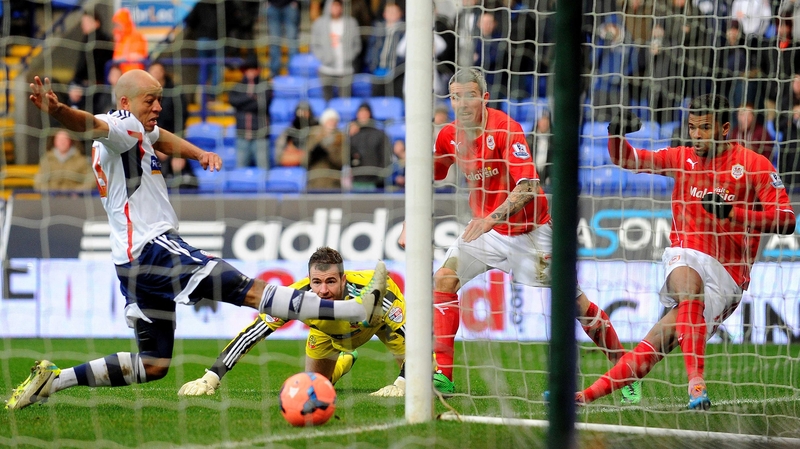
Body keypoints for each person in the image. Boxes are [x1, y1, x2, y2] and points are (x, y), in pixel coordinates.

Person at [5, 71, 388, 411]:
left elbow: (161, 137)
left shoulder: (137, 130)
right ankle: (354, 312)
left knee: (153, 365)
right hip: (154, 245)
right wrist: (57, 111)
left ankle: (55, 380)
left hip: (130, 261)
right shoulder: (120, 124)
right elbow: (89, 123)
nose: (158, 106)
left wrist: (198, 152)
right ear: (125, 103)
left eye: (159, 98)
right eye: (149, 100)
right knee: (243, 288)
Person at [399, 68, 636, 402]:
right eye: (455, 97)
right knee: (444, 280)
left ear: (484, 97)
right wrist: (412, 220)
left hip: (531, 232)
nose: (462, 103)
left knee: (576, 305)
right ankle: (444, 376)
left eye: (469, 95)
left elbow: (529, 186)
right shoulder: (448, 136)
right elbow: (425, 176)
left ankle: (624, 369)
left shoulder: (506, 128)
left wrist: (490, 218)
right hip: (485, 232)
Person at [579, 94, 796, 410]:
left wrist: (733, 214)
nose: (696, 136)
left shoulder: (754, 165)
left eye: (704, 128)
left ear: (723, 129)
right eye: (692, 128)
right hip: (686, 254)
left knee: (655, 343)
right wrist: (616, 134)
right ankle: (695, 384)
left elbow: (787, 220)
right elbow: (627, 160)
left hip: (729, 275)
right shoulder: (681, 157)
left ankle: (588, 395)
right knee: (686, 273)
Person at [178, 247, 407, 398]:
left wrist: (402, 382)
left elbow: (418, 339)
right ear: (309, 280)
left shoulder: (379, 294)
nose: (323, 290)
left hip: (380, 326)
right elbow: (252, 334)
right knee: (315, 389)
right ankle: (346, 359)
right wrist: (211, 377)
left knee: (424, 375)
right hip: (327, 333)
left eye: (330, 281)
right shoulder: (297, 298)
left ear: (343, 279)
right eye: (316, 282)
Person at [310, 0, 362, 101]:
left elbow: (357, 44)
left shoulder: (351, 23)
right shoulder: (319, 23)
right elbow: (314, 45)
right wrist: (324, 58)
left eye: (338, 6)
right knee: (327, 100)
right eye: (333, 6)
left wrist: (349, 57)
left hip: (346, 69)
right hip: (326, 69)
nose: (336, 9)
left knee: (345, 100)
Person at [228, 54, 271, 169]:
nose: (250, 72)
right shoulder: (238, 86)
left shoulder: (265, 86)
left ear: (258, 69)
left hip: (260, 136)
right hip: (242, 135)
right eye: (248, 69)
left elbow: (262, 104)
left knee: (263, 171)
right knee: (240, 173)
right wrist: (252, 97)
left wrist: (243, 104)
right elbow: (233, 101)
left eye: (253, 68)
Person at [347, 102, 392, 191]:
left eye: (366, 112)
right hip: (357, 180)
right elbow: (346, 156)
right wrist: (348, 136)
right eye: (361, 112)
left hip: (376, 181)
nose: (363, 115)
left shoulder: (379, 134)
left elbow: (386, 156)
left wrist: (380, 176)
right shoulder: (352, 135)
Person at [306, 108, 345, 190]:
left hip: (333, 183)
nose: (332, 123)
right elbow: (304, 161)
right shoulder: (313, 136)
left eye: (334, 121)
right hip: (315, 181)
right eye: (329, 121)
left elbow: (343, 161)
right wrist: (313, 153)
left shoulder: (340, 138)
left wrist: (328, 152)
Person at [274, 101, 318, 167]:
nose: (303, 114)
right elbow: (279, 153)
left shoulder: (316, 128)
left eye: (306, 112)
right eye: (300, 112)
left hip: (313, 163)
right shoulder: (290, 130)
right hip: (294, 162)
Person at [264, 0, 300, 77]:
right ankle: (274, 72)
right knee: (274, 42)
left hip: (290, 5)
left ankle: (294, 72)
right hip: (272, 6)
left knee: (292, 42)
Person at [111, 8, 148, 73]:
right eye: (116, 24)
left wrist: (125, 58)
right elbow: (115, 58)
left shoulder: (137, 36)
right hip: (120, 73)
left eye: (119, 23)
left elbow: (140, 56)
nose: (117, 27)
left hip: (135, 73)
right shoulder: (120, 38)